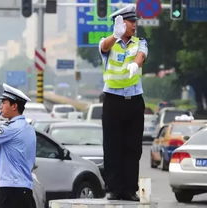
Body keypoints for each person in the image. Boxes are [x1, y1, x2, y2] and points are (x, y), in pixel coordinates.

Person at [98, 5, 148, 201]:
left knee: (133, 147)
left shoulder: (140, 42)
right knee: (112, 146)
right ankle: (114, 188)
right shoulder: (109, 43)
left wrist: (136, 63)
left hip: (134, 101)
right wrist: (115, 35)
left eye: (135, 21)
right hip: (113, 101)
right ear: (120, 23)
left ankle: (130, 189)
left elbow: (142, 54)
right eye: (131, 22)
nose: (134, 25)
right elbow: (103, 47)